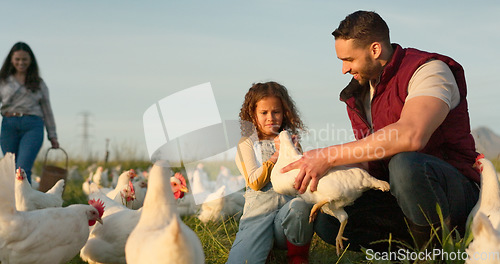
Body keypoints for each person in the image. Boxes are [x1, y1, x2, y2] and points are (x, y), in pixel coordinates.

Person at [282, 10, 480, 251]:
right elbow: (369, 156)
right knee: (328, 221)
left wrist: (329, 155)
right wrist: (318, 167)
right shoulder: (359, 93)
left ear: (375, 50)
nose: (344, 69)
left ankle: (437, 253)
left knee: (406, 165)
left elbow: (411, 134)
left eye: (349, 59)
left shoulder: (429, 70)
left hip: (452, 192)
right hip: (397, 193)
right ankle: (407, 253)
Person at [226, 82, 314, 264]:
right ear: (253, 115)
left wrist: (294, 152)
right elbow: (254, 182)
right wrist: (276, 155)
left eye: (276, 112)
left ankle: (297, 257)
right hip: (258, 216)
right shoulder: (247, 143)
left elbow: (300, 180)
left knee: (301, 206)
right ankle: (263, 251)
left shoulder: (290, 142)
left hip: (285, 219)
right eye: (264, 113)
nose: (271, 118)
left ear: (285, 113)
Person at [0, 42, 59, 183]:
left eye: (24, 59)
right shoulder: (3, 81)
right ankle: (10, 204)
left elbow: (47, 110)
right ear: (11, 60)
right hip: (9, 125)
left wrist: (53, 135)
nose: (21, 63)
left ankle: (23, 204)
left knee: (22, 169)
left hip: (33, 125)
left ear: (30, 60)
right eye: (17, 59)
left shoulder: (38, 83)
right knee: (10, 169)